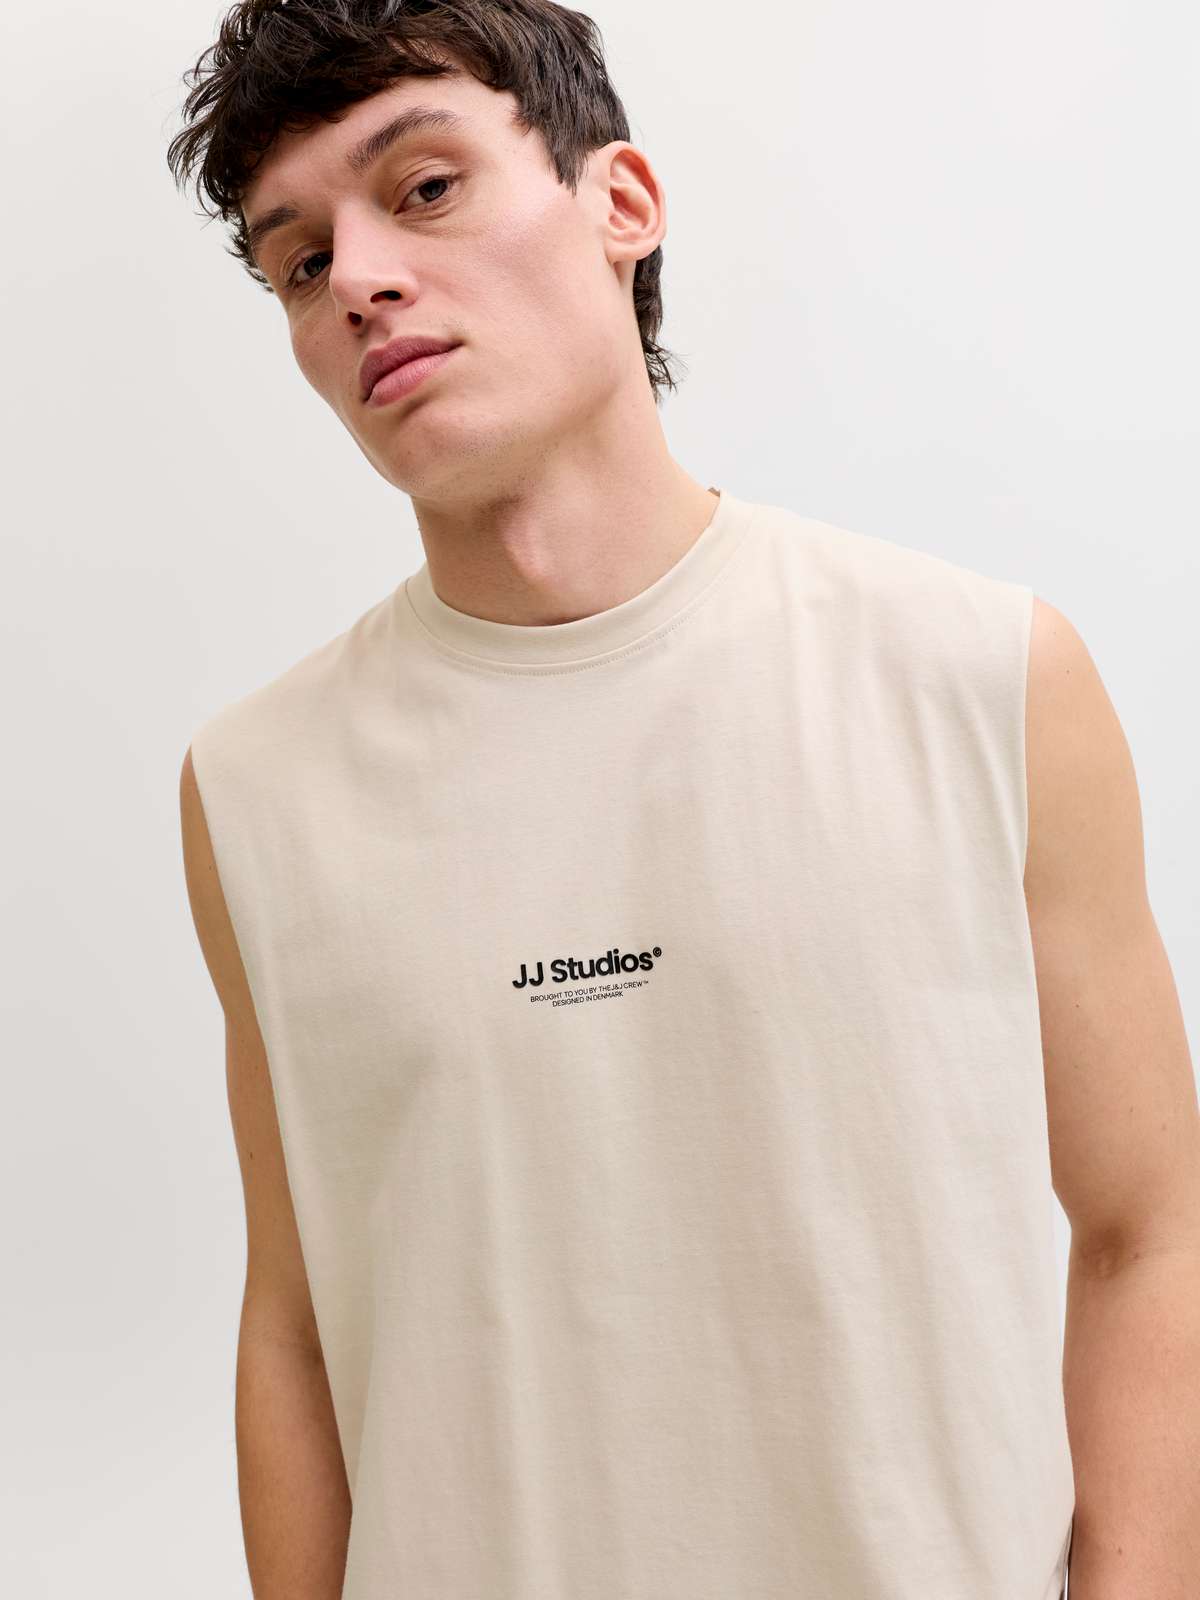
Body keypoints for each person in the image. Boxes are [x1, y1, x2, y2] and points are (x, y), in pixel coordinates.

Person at [170, 3, 1200, 1596]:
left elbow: (1150, 1234)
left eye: (424, 188)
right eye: (299, 261)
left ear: (623, 204)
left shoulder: (982, 674)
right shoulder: (255, 791)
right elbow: (293, 1333)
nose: (359, 278)